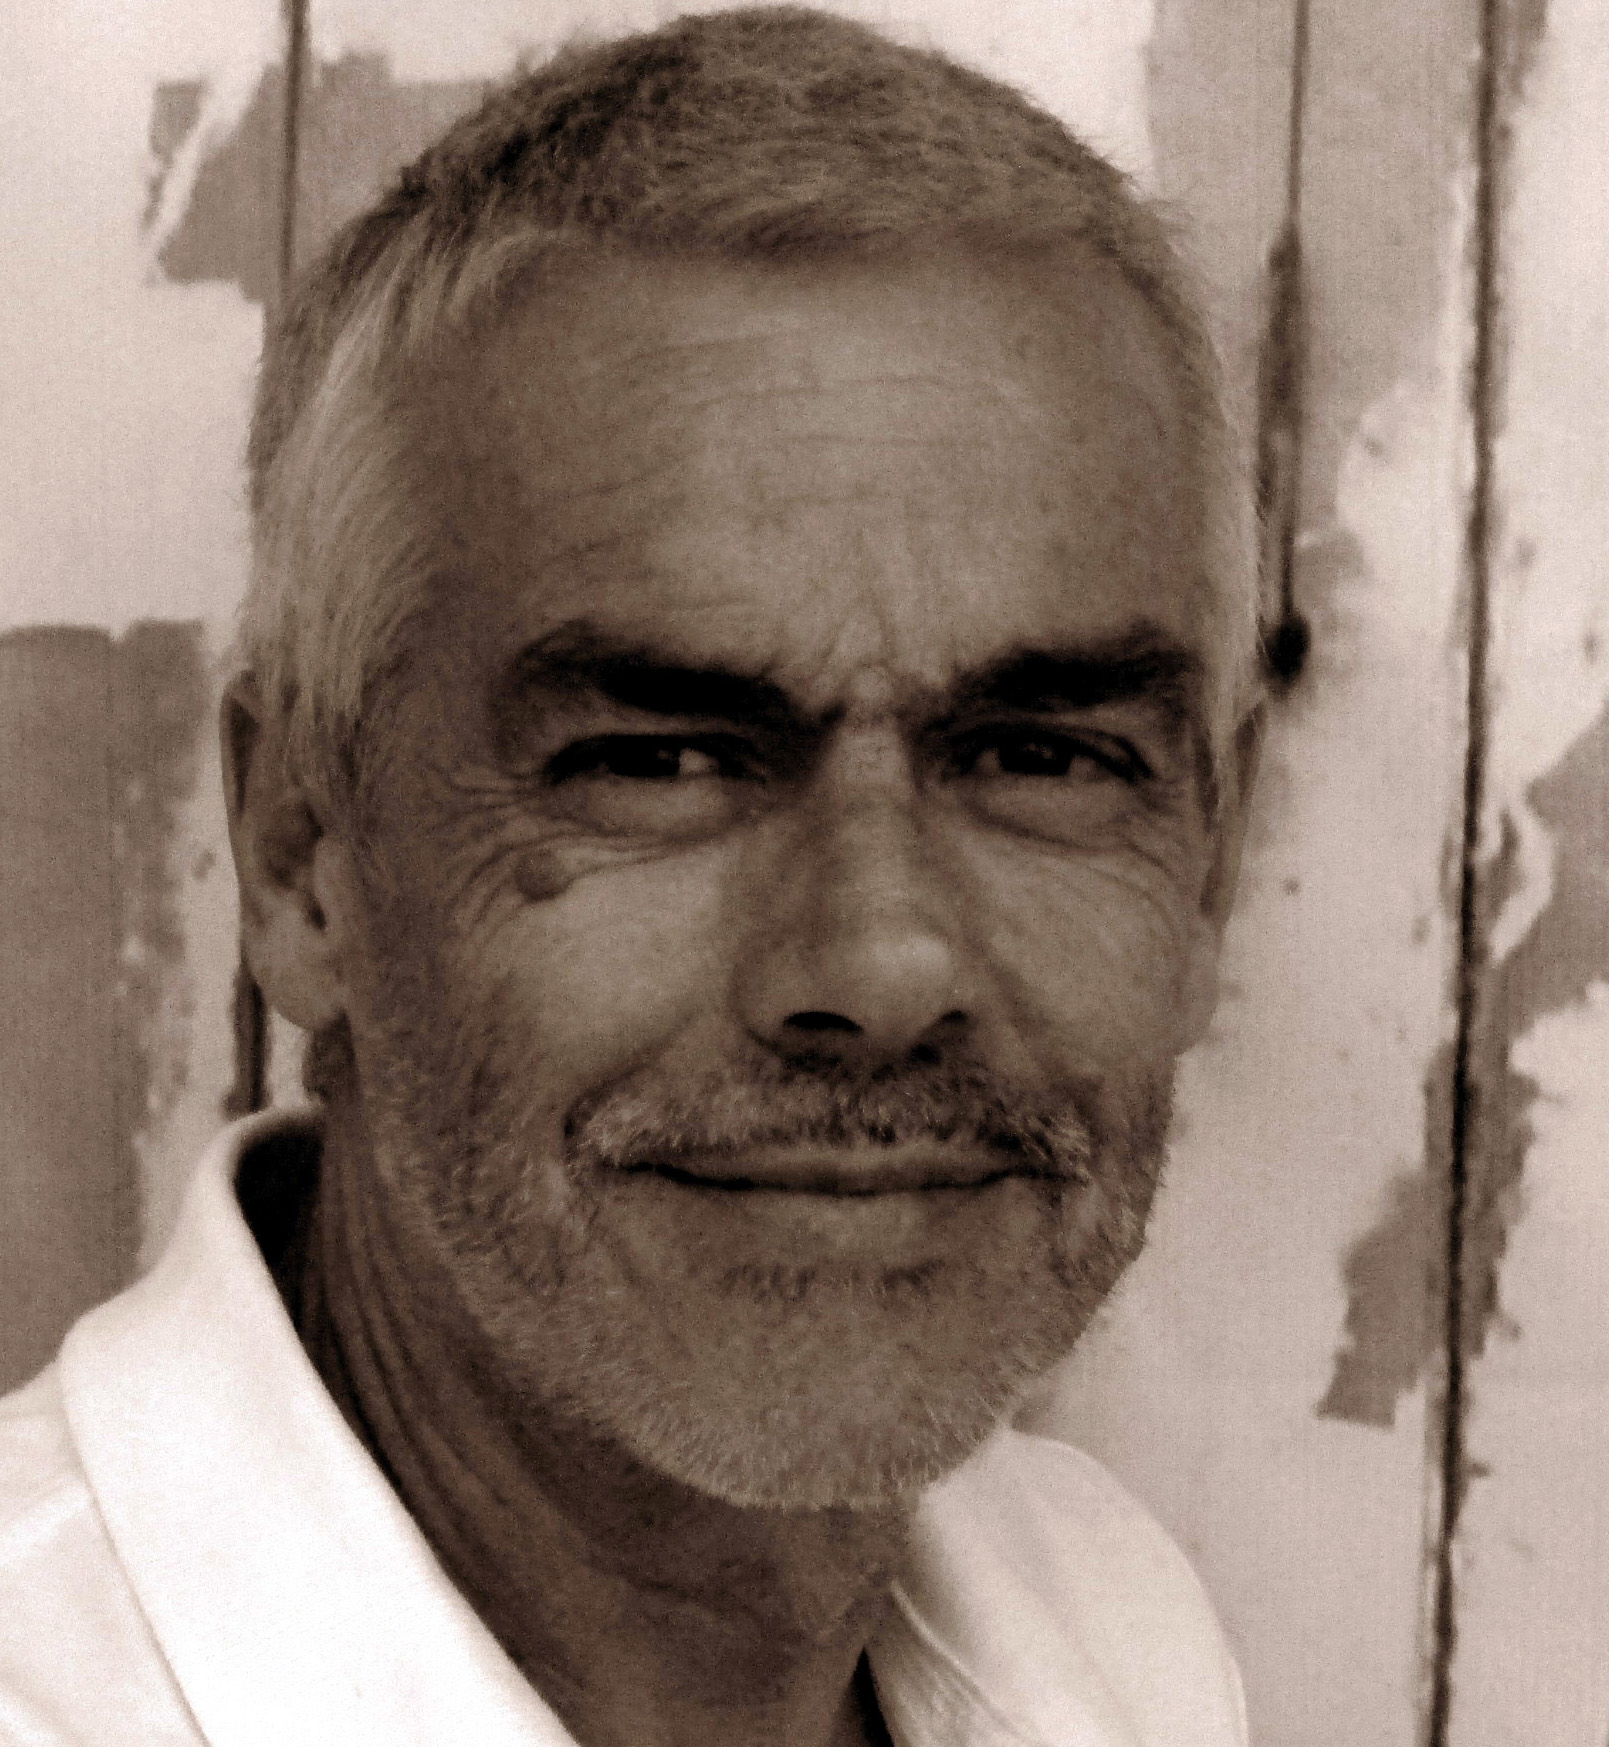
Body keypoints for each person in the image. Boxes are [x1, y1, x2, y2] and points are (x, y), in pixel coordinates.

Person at [0, 7, 1263, 1743]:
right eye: (659, 761)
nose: (882, 963)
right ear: (300, 855)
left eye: (1040, 757)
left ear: (1210, 860)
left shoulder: (1110, 1623)